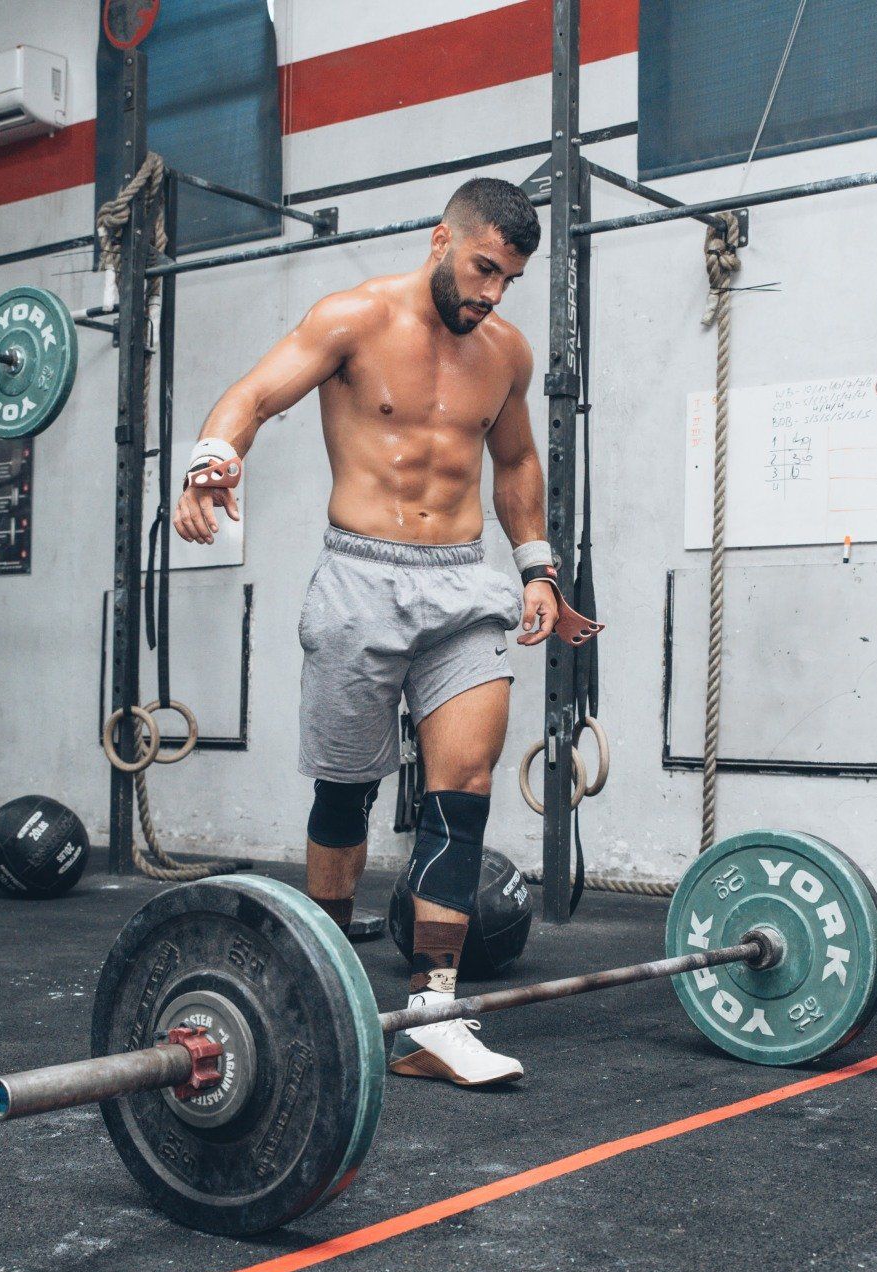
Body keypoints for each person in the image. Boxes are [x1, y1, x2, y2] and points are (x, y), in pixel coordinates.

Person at [175, 177, 600, 1087]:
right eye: (483, 268)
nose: (492, 293)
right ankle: (320, 985)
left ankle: (433, 1017)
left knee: (465, 785)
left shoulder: (506, 353)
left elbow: (516, 461)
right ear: (442, 239)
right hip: (360, 577)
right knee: (346, 793)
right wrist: (211, 463)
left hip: (463, 584)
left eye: (508, 280)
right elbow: (253, 396)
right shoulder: (353, 318)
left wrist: (537, 567)